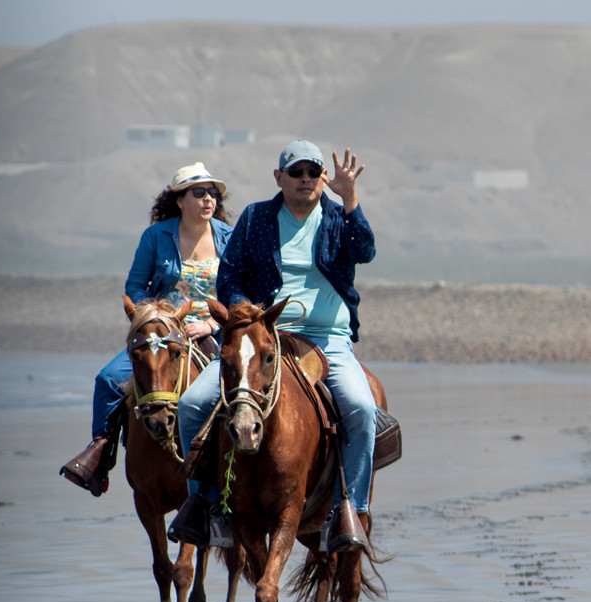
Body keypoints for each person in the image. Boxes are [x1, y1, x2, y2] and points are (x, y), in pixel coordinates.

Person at [167, 139, 378, 548]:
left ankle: (348, 510)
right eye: (295, 172)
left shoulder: (337, 218)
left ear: (322, 180)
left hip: (326, 338)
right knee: (192, 404)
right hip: (264, 335)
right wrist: (247, 314)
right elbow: (228, 278)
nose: (305, 179)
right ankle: (206, 507)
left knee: (362, 408)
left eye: (313, 173)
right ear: (278, 177)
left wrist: (350, 197)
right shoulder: (256, 218)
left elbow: (366, 250)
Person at [59, 162, 234, 496]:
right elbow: (135, 287)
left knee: (234, 390)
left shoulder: (229, 238)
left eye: (213, 193)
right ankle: (101, 454)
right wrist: (158, 317)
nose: (208, 199)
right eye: (199, 193)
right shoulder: (156, 237)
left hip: (213, 332)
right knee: (109, 379)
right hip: (162, 332)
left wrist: (212, 323)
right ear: (180, 200)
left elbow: (238, 289)